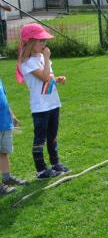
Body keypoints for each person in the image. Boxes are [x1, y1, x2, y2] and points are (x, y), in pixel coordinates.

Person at [16, 23, 70, 179]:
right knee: (40, 138)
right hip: (40, 107)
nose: (44, 44)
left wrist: (57, 79)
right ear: (31, 42)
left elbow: (48, 78)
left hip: (53, 103)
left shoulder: (40, 57)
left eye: (44, 41)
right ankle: (41, 170)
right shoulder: (27, 63)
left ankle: (55, 163)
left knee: (52, 135)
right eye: (40, 41)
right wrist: (47, 58)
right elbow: (44, 76)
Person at [0, 76, 26, 195]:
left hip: (4, 122)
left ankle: (7, 178)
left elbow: (4, 98)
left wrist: (12, 115)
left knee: (3, 152)